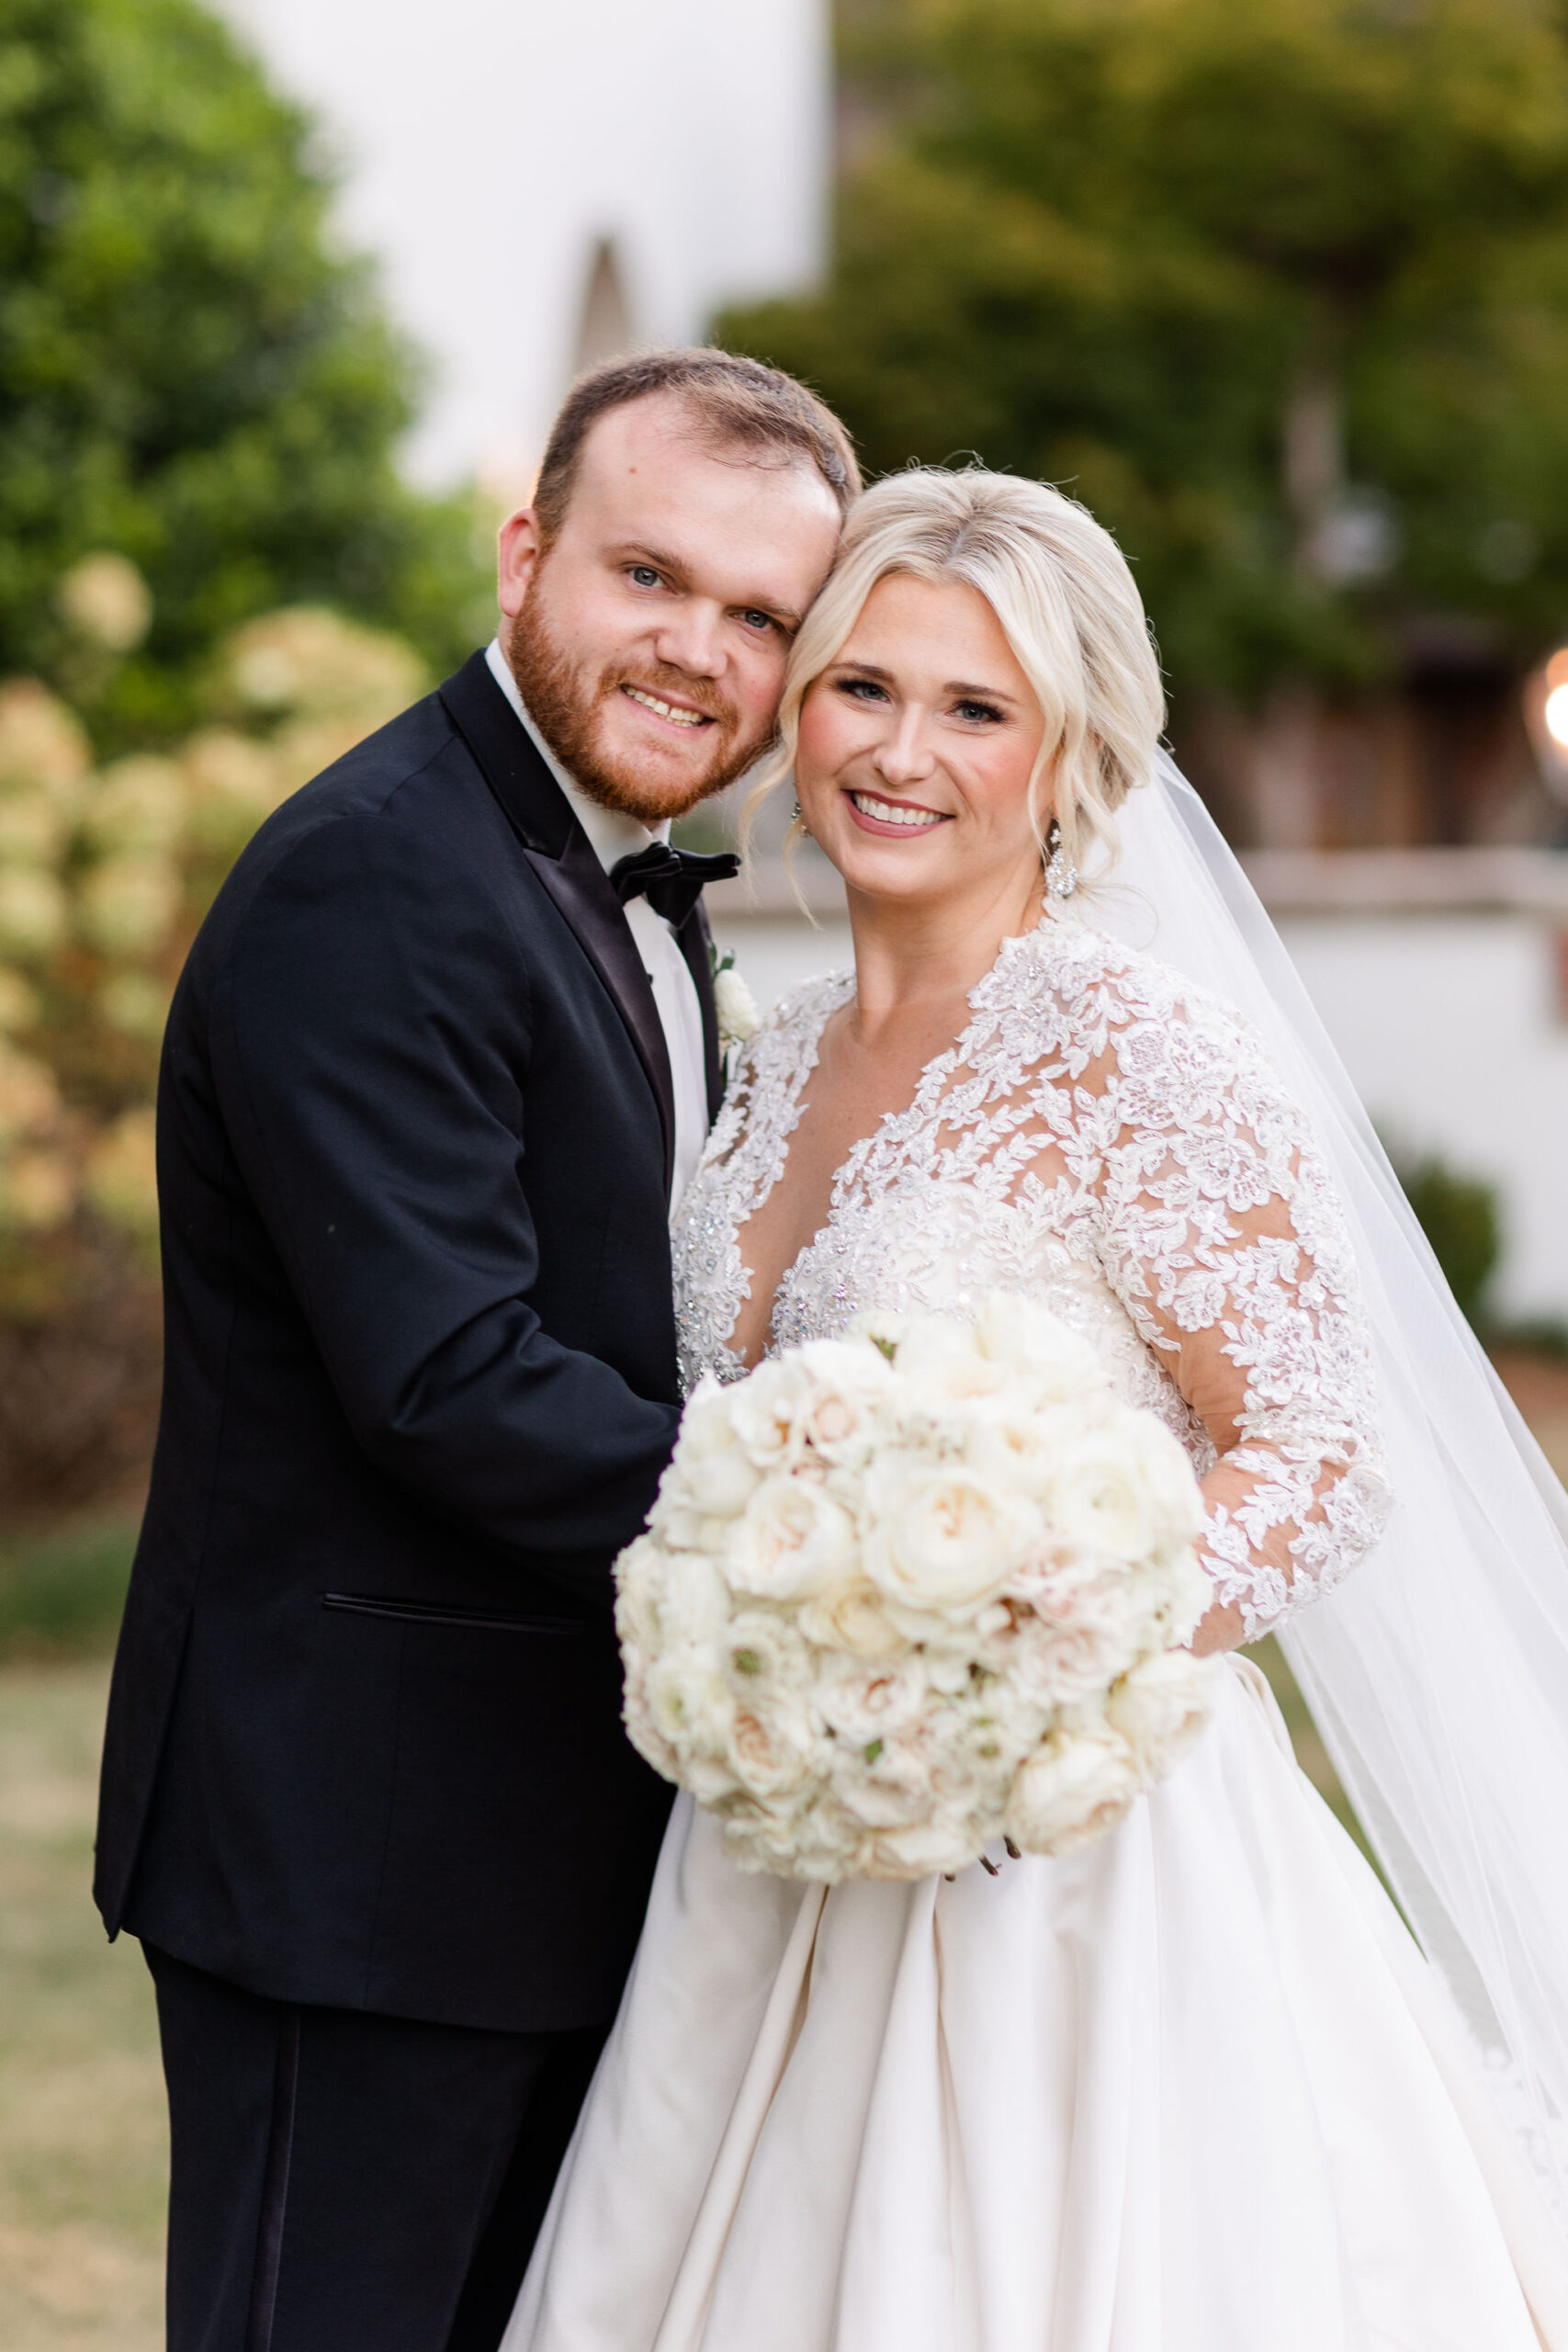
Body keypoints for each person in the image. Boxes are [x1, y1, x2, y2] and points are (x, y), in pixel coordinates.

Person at [503, 467, 1568, 2351]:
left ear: (1068, 756)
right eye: (860, 687)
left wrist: (1025, 1659)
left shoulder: (1129, 1044)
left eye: (971, 707)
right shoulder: (760, 1068)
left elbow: (1314, 1455)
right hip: (775, 1870)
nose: (897, 750)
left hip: (1077, 1882)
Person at [92, 347, 852, 2352]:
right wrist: (835, 1546)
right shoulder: (377, 874)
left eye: (761, 614)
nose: (699, 649)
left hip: (553, 1841)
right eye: (648, 576)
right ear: (526, 552)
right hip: (363, 1858)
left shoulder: (620, 884)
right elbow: (450, 1376)